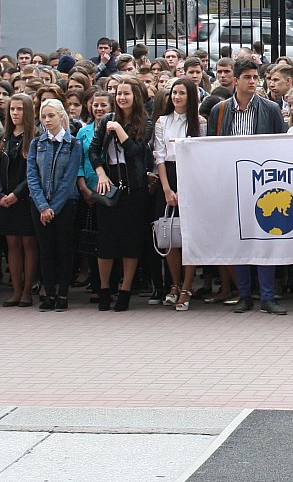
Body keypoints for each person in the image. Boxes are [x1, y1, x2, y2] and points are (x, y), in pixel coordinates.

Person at [208, 58, 288, 314]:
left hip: (263, 182)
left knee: (265, 236)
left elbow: (281, 146)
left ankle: (267, 296)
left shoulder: (270, 108)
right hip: (231, 181)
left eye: (256, 77)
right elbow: (211, 148)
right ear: (236, 80)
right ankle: (244, 294)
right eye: (248, 77)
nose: (253, 82)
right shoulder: (219, 110)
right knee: (237, 239)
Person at [88, 77, 154, 313]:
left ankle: (125, 290)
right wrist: (101, 174)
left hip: (134, 190)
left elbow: (136, 152)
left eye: (126, 93)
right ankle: (105, 289)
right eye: (118, 93)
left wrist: (119, 131)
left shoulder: (145, 122)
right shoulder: (107, 119)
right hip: (110, 188)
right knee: (106, 242)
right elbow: (93, 150)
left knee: (130, 242)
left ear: (136, 97)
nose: (121, 97)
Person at [28, 99, 83, 311]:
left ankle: (62, 293)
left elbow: (69, 178)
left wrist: (54, 207)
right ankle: (48, 292)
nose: (47, 120)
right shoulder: (37, 143)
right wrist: (42, 206)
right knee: (46, 249)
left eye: (51, 116)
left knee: (64, 249)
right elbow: (32, 175)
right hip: (40, 205)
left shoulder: (73, 143)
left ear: (61, 116)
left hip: (65, 204)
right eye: (44, 116)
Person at [153, 77, 203, 311]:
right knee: (168, 234)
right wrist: (166, 188)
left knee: (188, 235)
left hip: (190, 176)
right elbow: (159, 155)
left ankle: (187, 285)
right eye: (174, 93)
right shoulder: (162, 121)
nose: (176, 97)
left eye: (182, 93)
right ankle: (174, 284)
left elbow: (201, 156)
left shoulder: (199, 122)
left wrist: (185, 189)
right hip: (169, 175)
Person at [0, 93, 37, 307]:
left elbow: (33, 172)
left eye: (19, 109)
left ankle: (27, 290)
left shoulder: (34, 137)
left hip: (25, 198)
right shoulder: (3, 138)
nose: (15, 113)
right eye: (12, 109)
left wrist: (16, 194)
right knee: (11, 244)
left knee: (28, 243)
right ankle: (16, 290)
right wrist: (0, 193)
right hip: (5, 198)